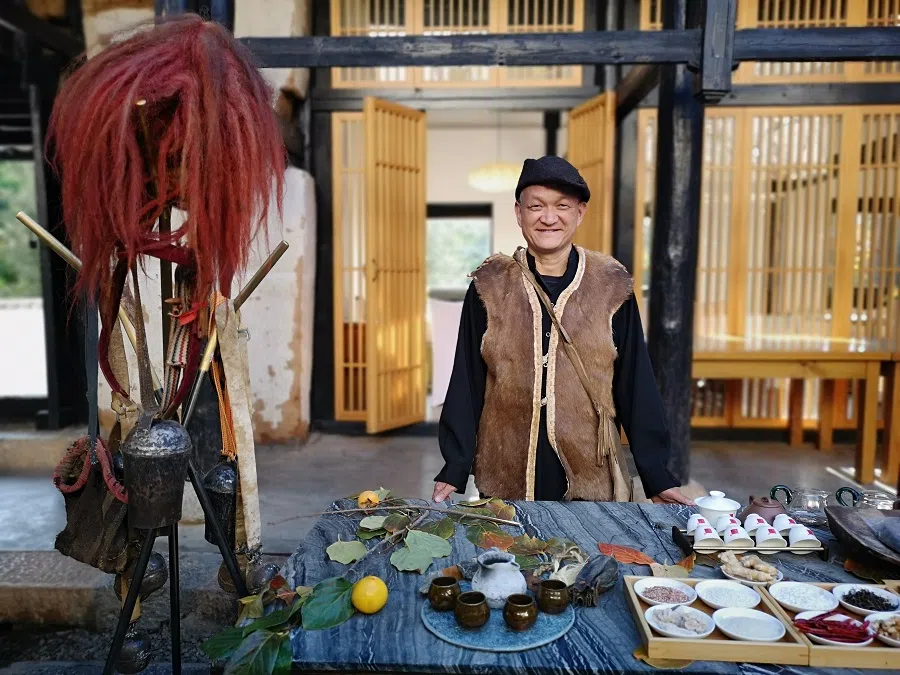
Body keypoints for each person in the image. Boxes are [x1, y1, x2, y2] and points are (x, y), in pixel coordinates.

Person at [432, 155, 692, 505]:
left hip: (591, 475)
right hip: (505, 472)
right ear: (519, 212)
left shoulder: (611, 285)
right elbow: (467, 380)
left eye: (562, 206)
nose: (549, 217)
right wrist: (455, 466)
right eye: (536, 206)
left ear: (579, 212)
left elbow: (635, 384)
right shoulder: (489, 286)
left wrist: (656, 474)